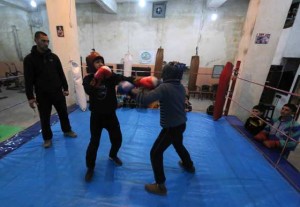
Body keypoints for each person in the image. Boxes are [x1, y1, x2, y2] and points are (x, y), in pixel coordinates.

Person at [132, 62, 195, 196]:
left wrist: (131, 91)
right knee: (178, 145)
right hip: (181, 124)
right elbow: (164, 86)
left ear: (166, 73)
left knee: (155, 153)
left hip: (171, 127)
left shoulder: (164, 88)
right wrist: (148, 81)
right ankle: (189, 165)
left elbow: (145, 100)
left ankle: (160, 186)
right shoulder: (181, 87)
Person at [83, 51, 135, 182]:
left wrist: (138, 80)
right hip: (96, 117)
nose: (101, 64)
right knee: (94, 143)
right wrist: (98, 77)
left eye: (102, 62)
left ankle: (113, 155)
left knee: (117, 139)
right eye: (97, 62)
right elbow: (89, 90)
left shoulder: (110, 77)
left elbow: (124, 79)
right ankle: (90, 168)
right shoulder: (88, 79)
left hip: (111, 115)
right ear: (91, 65)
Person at [23, 31, 77, 149]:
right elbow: (28, 80)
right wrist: (30, 97)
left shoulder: (53, 57)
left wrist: (66, 87)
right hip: (42, 95)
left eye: (47, 41)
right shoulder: (29, 59)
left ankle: (67, 130)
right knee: (45, 118)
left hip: (58, 92)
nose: (46, 43)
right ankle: (47, 138)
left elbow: (60, 73)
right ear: (36, 40)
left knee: (63, 113)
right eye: (43, 41)